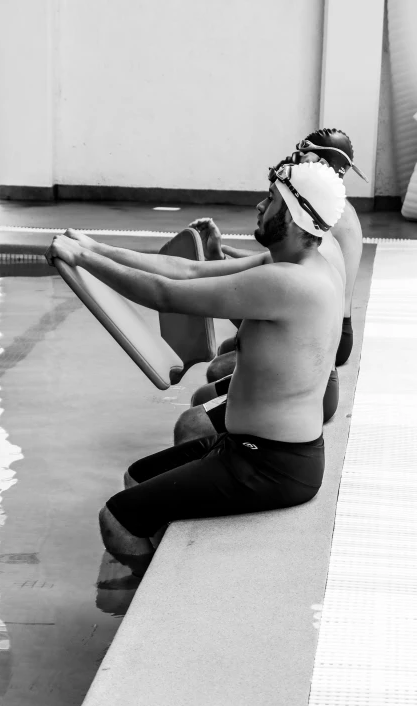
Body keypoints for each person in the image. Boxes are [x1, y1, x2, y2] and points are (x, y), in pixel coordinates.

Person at [46, 161, 346, 576]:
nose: (261, 205)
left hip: (270, 466)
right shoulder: (294, 268)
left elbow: (165, 294)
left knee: (116, 519)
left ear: (294, 216)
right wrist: (95, 248)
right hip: (252, 449)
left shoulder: (288, 283)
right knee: (137, 477)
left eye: (272, 200)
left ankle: (148, 611)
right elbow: (187, 270)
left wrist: (83, 258)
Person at [174, 129, 364, 444]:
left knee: (204, 397)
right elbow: (268, 265)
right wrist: (220, 256)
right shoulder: (323, 217)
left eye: (303, 157)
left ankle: (218, 461)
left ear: (318, 159)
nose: (295, 162)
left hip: (317, 364)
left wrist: (93, 257)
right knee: (226, 352)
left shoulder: (323, 220)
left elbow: (269, 282)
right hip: (330, 337)